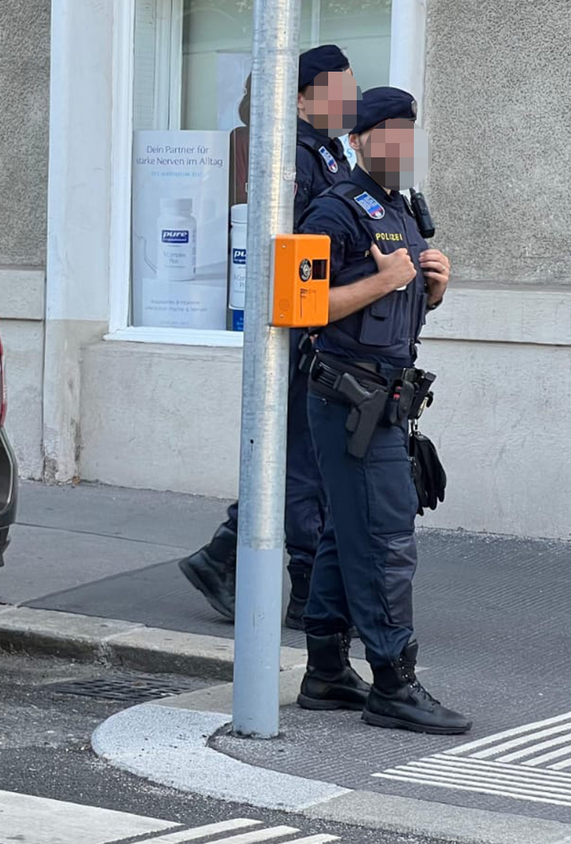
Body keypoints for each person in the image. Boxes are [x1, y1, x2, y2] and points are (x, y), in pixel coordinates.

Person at [293, 86, 469, 733]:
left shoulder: (404, 211)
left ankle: (325, 671)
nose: (400, 143)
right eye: (388, 131)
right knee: (387, 539)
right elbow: (296, 308)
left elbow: (402, 311)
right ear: (362, 139)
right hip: (347, 397)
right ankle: (393, 684)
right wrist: (383, 279)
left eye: (407, 131)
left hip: (386, 395)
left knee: (346, 533)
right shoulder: (331, 211)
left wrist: (433, 288)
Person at [180, 44, 359, 630]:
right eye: (340, 89)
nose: (350, 99)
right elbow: (297, 250)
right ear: (306, 97)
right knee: (302, 459)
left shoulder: (328, 152)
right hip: (302, 328)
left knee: (296, 457)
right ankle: (303, 587)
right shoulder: (292, 157)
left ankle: (221, 556)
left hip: (324, 327)